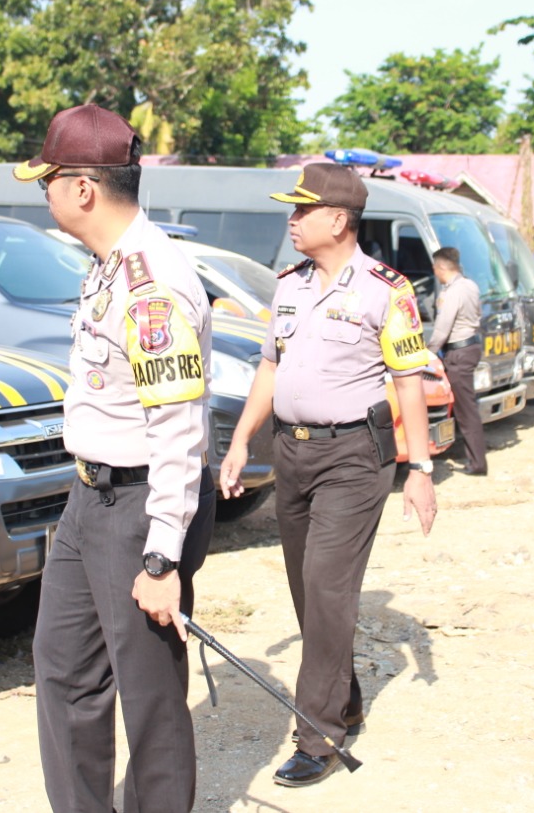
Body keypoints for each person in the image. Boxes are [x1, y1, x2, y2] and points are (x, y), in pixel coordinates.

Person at [14, 104, 216, 813]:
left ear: (82, 188)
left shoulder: (151, 282)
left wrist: (162, 557)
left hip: (140, 507)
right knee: (64, 670)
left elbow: (178, 430)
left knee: (150, 694)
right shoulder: (107, 268)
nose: (42, 191)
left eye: (47, 178)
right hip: (87, 497)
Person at [218, 162, 438, 788]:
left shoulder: (384, 290)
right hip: (292, 452)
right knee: (306, 589)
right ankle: (343, 695)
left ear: (338, 219)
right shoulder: (288, 286)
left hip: (353, 457)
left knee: (326, 583)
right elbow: (269, 369)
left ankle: (317, 734)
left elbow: (408, 382)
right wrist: (240, 442)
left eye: (301, 210)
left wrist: (419, 468)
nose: (291, 219)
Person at [427, 247, 486, 475]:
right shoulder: (471, 286)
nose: (434, 272)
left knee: (465, 410)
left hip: (458, 352)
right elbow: (478, 315)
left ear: (442, 267)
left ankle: (477, 463)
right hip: (471, 346)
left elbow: (442, 328)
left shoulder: (452, 293)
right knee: (466, 406)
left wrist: (430, 353)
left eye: (434, 268)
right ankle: (474, 458)